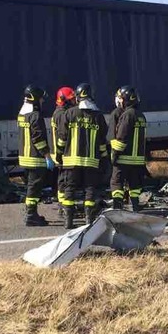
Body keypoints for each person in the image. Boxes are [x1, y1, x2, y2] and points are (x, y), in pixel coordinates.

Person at [58, 86, 109, 228]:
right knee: (90, 189)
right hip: (91, 161)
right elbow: (102, 141)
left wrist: (58, 155)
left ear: (78, 97)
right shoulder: (98, 116)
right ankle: (89, 219)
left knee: (69, 189)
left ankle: (68, 221)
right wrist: (105, 159)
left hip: (71, 161)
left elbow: (62, 138)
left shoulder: (69, 113)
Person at [18, 85, 55, 226]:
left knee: (30, 186)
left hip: (25, 157)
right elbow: (38, 139)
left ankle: (30, 212)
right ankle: (31, 215)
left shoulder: (22, 114)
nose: (42, 102)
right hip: (35, 157)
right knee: (34, 187)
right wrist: (47, 156)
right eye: (40, 99)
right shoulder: (35, 115)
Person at [109, 85, 147, 211]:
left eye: (120, 98)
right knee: (135, 187)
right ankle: (135, 208)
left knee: (117, 184)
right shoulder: (141, 115)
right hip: (137, 160)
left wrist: (114, 154)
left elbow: (121, 137)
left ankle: (117, 209)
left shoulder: (127, 115)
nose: (119, 101)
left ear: (125, 99)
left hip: (123, 159)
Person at [52, 87, 77, 216]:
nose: (74, 102)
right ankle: (63, 206)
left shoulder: (59, 112)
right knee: (64, 181)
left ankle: (62, 205)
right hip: (63, 152)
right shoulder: (62, 114)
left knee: (62, 179)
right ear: (64, 100)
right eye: (71, 100)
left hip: (60, 151)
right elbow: (63, 136)